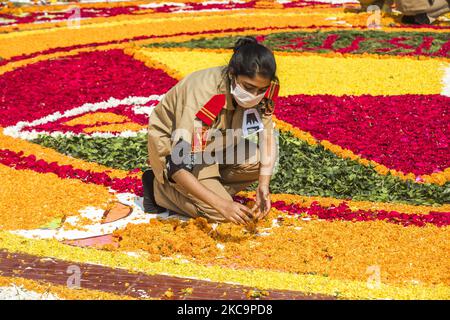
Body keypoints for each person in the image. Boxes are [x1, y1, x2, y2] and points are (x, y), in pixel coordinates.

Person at [142, 36, 280, 225]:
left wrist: (264, 186)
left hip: (217, 145)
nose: (254, 96)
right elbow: (178, 166)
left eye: (260, 90)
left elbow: (267, 137)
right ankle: (158, 190)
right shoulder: (203, 95)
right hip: (181, 155)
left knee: (258, 162)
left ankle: (202, 188)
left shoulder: (265, 89)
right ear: (232, 74)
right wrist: (222, 205)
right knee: (221, 215)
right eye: (248, 88)